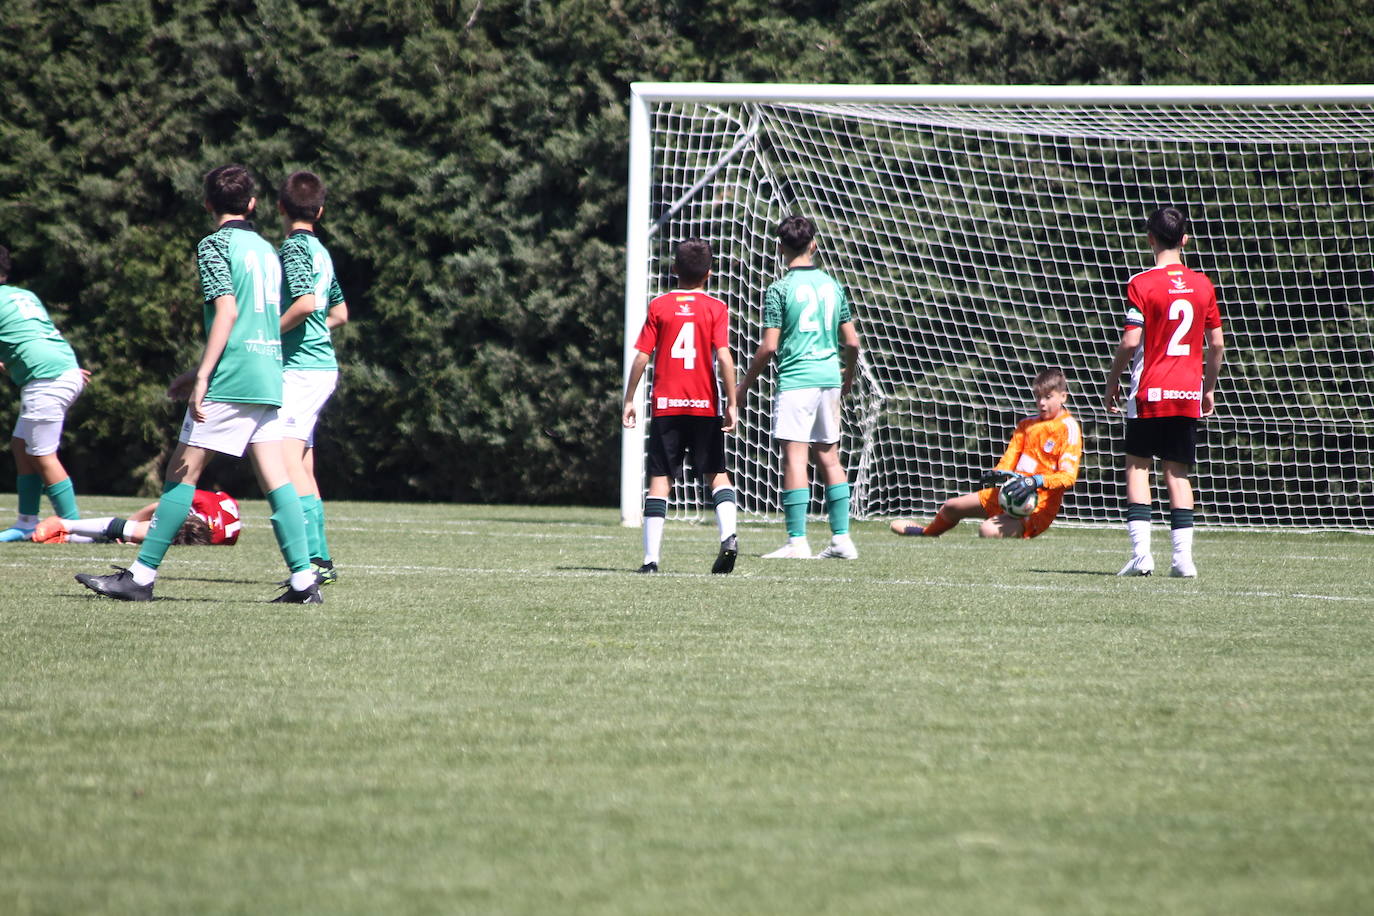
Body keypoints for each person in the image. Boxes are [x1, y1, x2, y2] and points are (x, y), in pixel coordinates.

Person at [75, 164, 318, 602]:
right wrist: (196, 371)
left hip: (233, 374)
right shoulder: (266, 249)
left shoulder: (214, 245)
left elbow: (227, 312)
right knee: (277, 479)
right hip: (267, 372)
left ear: (207, 204)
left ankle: (140, 578)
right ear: (253, 204)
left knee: (182, 472)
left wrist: (204, 375)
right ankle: (304, 582)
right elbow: (257, 318)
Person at [1103, 206, 1224, 578]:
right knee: (1178, 474)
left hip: (1149, 392)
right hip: (1187, 393)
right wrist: (1207, 389)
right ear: (1185, 240)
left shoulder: (1142, 282)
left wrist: (1112, 381)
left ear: (1150, 238)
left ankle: (1142, 557)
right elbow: (1217, 345)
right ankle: (1183, 560)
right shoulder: (1203, 285)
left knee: (1138, 466)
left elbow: (1130, 340)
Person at [736, 215, 861, 560]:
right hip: (829, 380)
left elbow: (769, 347)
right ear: (814, 244)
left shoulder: (780, 289)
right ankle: (841, 539)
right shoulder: (833, 286)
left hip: (797, 379)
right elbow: (852, 342)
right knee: (829, 456)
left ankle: (797, 542)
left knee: (795, 457)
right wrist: (847, 376)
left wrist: (744, 385)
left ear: (780, 248)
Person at [622, 238, 739, 574]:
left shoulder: (659, 306)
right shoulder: (716, 308)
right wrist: (732, 402)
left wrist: (629, 399)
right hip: (704, 406)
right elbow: (723, 357)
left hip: (667, 408)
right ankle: (728, 535)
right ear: (709, 274)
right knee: (717, 475)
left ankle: (650, 560)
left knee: (660, 479)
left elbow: (643, 356)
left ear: (674, 270)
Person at [889, 369, 1083, 539]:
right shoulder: (1027, 425)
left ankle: (1015, 533)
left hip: (1036, 506)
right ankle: (927, 534)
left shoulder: (1068, 428)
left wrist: (1036, 481)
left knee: (987, 531)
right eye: (1038, 396)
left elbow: (1068, 477)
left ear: (1063, 397)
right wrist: (999, 473)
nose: (1041, 403)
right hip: (1008, 493)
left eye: (1048, 397)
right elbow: (1010, 457)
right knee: (951, 506)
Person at [277, 171, 348, 585]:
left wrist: (268, 331)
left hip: (301, 368)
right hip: (319, 367)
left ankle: (314, 563)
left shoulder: (293, 249)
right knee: (303, 463)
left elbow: (305, 304)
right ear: (319, 211)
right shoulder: (321, 251)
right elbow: (337, 312)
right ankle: (320, 557)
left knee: (285, 464)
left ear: (281, 208)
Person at [0, 244, 87, 541]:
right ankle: (26, 521)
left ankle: (76, 530)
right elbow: (27, 340)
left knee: (42, 454)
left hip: (46, 379)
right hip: (64, 368)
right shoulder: (23, 295)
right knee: (21, 444)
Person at [34, 489, 240, 545]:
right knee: (136, 533)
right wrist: (130, 524)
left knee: (138, 535)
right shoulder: (200, 504)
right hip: (217, 504)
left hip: (222, 505)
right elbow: (158, 506)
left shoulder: (212, 529)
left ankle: (66, 531)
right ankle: (64, 526)